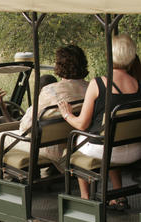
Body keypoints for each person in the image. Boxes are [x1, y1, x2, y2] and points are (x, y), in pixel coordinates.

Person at [57, 34, 141, 209]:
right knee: (110, 137)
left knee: (76, 141)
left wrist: (67, 115)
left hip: (105, 150)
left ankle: (86, 198)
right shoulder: (138, 84)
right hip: (134, 150)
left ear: (109, 55)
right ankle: (120, 196)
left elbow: (81, 124)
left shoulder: (98, 84)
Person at [0, 45, 89, 168]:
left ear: (59, 66)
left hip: (53, 147)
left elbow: (25, 127)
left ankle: (4, 182)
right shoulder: (90, 88)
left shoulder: (50, 91)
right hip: (79, 143)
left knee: (0, 137)